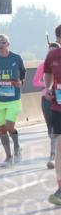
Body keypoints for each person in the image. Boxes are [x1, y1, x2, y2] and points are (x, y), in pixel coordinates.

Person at [0, 34, 27, 163]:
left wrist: (21, 82)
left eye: (3, 42)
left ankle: (17, 146)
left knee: (9, 127)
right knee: (1, 129)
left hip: (13, 99)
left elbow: (23, 72)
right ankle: (8, 156)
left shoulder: (16, 58)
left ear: (8, 44)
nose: (0, 45)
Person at [42, 24, 61, 205]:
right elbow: (47, 73)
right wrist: (47, 88)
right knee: (59, 148)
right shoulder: (53, 55)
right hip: (58, 107)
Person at [34, 41, 60, 169]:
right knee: (52, 129)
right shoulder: (42, 65)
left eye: (54, 50)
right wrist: (46, 87)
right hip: (48, 98)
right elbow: (35, 81)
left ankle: (54, 156)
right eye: (50, 51)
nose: (52, 53)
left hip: (58, 98)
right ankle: (53, 155)